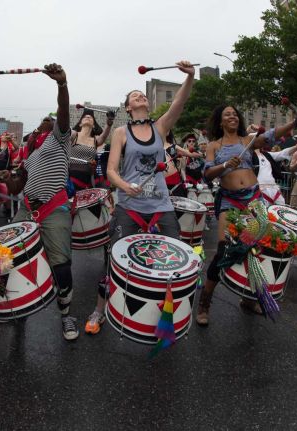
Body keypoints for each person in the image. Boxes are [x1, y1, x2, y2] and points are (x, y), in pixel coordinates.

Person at [81, 61, 194, 336]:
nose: (140, 97)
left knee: (174, 263)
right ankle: (100, 309)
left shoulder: (160, 127)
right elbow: (111, 171)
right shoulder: (121, 133)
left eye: (141, 95)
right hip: (129, 206)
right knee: (113, 260)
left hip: (161, 206)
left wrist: (190, 77)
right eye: (134, 96)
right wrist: (124, 186)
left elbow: (179, 102)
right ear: (128, 107)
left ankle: (169, 316)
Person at [196, 105, 297, 324]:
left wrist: (294, 123)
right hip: (230, 201)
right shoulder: (214, 146)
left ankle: (248, 299)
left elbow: (272, 135)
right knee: (224, 251)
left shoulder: (248, 140)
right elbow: (207, 174)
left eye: (235, 114)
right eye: (227, 114)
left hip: (254, 200)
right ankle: (204, 303)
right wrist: (225, 165)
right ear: (220, 121)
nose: (232, 116)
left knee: (256, 247)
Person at [0, 63, 78, 340]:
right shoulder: (31, 156)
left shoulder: (61, 140)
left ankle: (66, 314)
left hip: (54, 208)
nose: (44, 128)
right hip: (27, 209)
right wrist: (8, 178)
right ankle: (16, 307)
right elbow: (19, 185)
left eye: (48, 124)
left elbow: (63, 114)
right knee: (10, 259)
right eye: (39, 128)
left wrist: (62, 85)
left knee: (61, 264)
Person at [69, 108, 114, 191]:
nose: (88, 117)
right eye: (85, 117)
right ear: (80, 124)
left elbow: (103, 136)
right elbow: (64, 130)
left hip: (89, 179)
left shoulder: (95, 140)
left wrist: (109, 124)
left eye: (90, 117)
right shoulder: (74, 135)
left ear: (93, 125)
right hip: (72, 178)